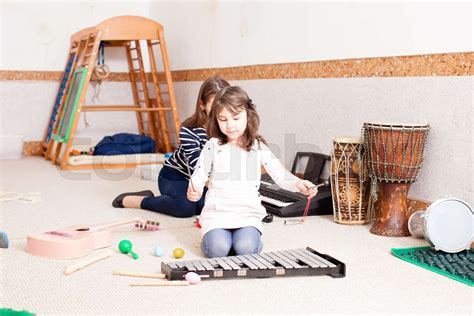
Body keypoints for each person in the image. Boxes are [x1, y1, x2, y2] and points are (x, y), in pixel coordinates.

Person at [187, 86, 317, 258]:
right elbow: (199, 173)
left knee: (245, 249)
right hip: (218, 214)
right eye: (223, 119)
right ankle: (220, 239)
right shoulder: (212, 145)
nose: (230, 125)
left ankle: (244, 238)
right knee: (217, 250)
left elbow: (279, 174)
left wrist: (298, 183)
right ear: (216, 120)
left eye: (236, 118)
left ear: (248, 115)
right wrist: (194, 188)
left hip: (247, 214)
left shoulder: (257, 146)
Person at [112, 76, 230, 217]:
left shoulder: (231, 128)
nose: (220, 111)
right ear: (202, 105)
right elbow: (197, 167)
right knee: (185, 208)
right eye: (214, 105)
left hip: (205, 181)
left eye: (223, 104)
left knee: (207, 206)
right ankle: (138, 201)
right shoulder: (189, 129)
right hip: (175, 176)